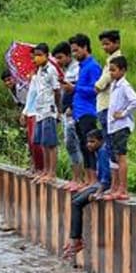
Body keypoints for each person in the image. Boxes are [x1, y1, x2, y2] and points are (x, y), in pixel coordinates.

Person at [62, 129, 111, 260]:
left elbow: (106, 178)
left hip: (104, 186)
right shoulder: (98, 151)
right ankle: (75, 239)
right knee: (75, 199)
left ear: (101, 141)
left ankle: (76, 240)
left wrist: (98, 193)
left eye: (92, 141)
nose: (89, 144)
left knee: (77, 203)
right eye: (88, 142)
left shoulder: (103, 152)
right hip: (99, 183)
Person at [104, 55, 136, 201]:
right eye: (110, 70)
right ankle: (115, 187)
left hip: (121, 125)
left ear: (123, 71)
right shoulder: (114, 85)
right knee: (114, 157)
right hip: (113, 126)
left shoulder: (124, 86)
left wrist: (124, 113)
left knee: (121, 156)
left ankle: (123, 189)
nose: (111, 73)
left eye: (114, 70)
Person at [27, 43, 62, 184]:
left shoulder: (51, 70)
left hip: (49, 109)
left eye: (40, 55)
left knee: (50, 143)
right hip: (39, 110)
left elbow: (57, 90)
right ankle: (45, 170)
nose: (37, 58)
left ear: (47, 55)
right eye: (36, 55)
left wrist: (58, 109)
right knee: (42, 142)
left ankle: (52, 173)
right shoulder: (39, 71)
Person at [69, 34, 103, 180]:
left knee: (90, 147)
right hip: (78, 112)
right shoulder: (81, 67)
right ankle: (88, 179)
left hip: (88, 111)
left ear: (85, 48)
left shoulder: (93, 66)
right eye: (73, 51)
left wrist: (75, 88)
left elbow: (95, 90)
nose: (74, 54)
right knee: (83, 146)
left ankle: (93, 180)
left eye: (76, 51)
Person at [52, 41, 85, 190]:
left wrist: (72, 106)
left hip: (73, 111)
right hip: (65, 112)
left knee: (74, 143)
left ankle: (80, 179)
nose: (58, 61)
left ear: (68, 55)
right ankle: (75, 178)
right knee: (69, 144)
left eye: (60, 58)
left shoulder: (77, 69)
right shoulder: (64, 70)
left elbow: (76, 90)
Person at [95, 29, 122, 135]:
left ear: (117, 43)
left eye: (107, 44)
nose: (104, 47)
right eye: (103, 45)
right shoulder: (110, 59)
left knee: (109, 139)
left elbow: (108, 77)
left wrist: (97, 86)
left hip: (108, 104)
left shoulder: (116, 59)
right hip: (104, 104)